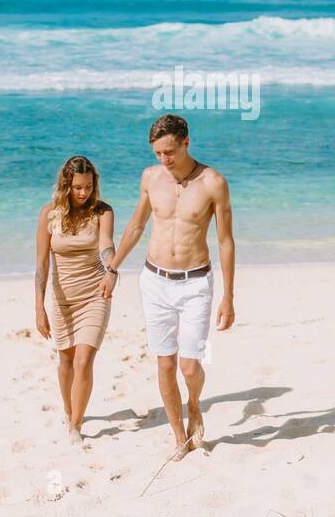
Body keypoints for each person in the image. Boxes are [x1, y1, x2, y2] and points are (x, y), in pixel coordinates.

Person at [99, 114, 234, 458]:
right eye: (158, 153)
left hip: (195, 283)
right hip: (154, 281)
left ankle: (195, 405)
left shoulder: (213, 182)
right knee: (164, 364)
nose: (164, 159)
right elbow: (135, 226)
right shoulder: (150, 177)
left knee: (189, 366)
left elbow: (226, 241)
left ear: (187, 142)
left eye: (170, 152)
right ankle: (179, 438)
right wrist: (112, 268)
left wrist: (229, 296)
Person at [35, 155, 116, 445]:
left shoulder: (102, 212)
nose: (84, 193)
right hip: (62, 300)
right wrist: (39, 308)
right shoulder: (49, 215)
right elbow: (42, 265)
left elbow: (106, 244)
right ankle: (69, 410)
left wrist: (112, 268)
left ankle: (76, 425)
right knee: (65, 361)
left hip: (95, 294)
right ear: (66, 185)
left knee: (83, 361)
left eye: (89, 186)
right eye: (78, 187)